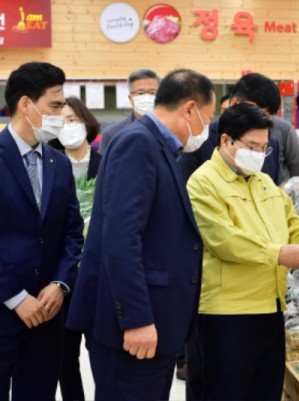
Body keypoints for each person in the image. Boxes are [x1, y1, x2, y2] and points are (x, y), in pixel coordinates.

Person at [66, 69, 215, 401]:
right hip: (135, 327)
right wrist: (135, 319)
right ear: (189, 109)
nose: (205, 129)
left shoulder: (160, 146)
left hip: (156, 325)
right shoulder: (139, 143)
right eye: (206, 118)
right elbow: (121, 238)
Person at [186, 103, 299, 401]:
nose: (258, 154)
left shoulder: (264, 182)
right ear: (226, 141)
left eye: (264, 148)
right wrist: (279, 254)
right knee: (224, 393)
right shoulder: (203, 183)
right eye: (252, 146)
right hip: (226, 313)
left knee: (266, 391)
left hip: (271, 308)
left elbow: (293, 223)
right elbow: (224, 239)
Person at [0, 62, 84, 401]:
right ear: (25, 104)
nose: (61, 114)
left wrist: (61, 283)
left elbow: (72, 232)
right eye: (54, 105)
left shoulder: (59, 162)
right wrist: (16, 298)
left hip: (49, 315)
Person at [54, 96, 102, 401]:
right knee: (64, 357)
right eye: (61, 120)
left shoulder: (106, 163)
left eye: (73, 119)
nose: (67, 126)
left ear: (86, 122)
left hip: (98, 274)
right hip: (63, 274)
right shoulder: (50, 163)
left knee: (101, 354)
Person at [179, 73, 299, 185]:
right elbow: (184, 187)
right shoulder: (200, 139)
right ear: (233, 104)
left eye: (267, 116)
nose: (260, 119)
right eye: (257, 112)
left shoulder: (271, 145)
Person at [99, 68, 160, 154]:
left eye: (152, 92)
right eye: (140, 93)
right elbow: (104, 167)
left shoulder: (172, 131)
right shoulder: (111, 134)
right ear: (131, 99)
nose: (147, 97)